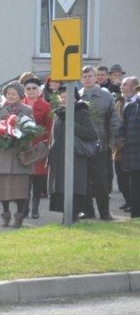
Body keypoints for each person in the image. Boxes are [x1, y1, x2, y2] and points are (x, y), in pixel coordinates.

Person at [0, 82, 34, 228]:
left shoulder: (26, 110)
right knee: (2, 189)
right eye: (8, 93)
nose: (11, 96)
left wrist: (18, 135)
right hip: (0, 154)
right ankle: (5, 214)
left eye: (14, 93)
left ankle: (19, 215)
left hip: (19, 155)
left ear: (20, 95)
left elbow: (32, 130)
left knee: (20, 188)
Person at [48, 89, 99, 222]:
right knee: (60, 187)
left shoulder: (81, 112)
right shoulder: (58, 113)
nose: (64, 99)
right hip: (59, 157)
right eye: (62, 97)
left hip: (75, 157)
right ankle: (66, 216)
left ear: (75, 98)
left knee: (74, 187)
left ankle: (72, 216)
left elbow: (91, 133)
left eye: (67, 96)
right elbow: (53, 136)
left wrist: (70, 122)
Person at [79, 65, 121, 220]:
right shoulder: (77, 95)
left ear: (96, 77)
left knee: (101, 182)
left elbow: (113, 121)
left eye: (90, 76)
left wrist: (112, 142)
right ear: (81, 79)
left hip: (101, 146)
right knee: (83, 181)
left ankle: (105, 213)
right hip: (82, 147)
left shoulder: (106, 96)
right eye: (84, 77)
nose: (87, 79)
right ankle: (88, 212)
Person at [22, 77, 53, 218]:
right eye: (28, 88)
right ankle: (24, 208)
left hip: (39, 147)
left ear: (39, 90)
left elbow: (49, 128)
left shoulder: (46, 106)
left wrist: (46, 145)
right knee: (25, 180)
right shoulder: (20, 105)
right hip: (23, 147)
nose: (31, 91)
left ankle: (35, 208)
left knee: (38, 179)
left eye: (34, 88)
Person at [114, 76, 139, 212]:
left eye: (125, 84)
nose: (121, 87)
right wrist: (119, 140)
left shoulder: (134, 104)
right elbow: (121, 125)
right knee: (123, 178)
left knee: (134, 181)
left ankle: (134, 207)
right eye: (122, 84)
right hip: (123, 148)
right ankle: (131, 203)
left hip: (134, 149)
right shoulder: (120, 102)